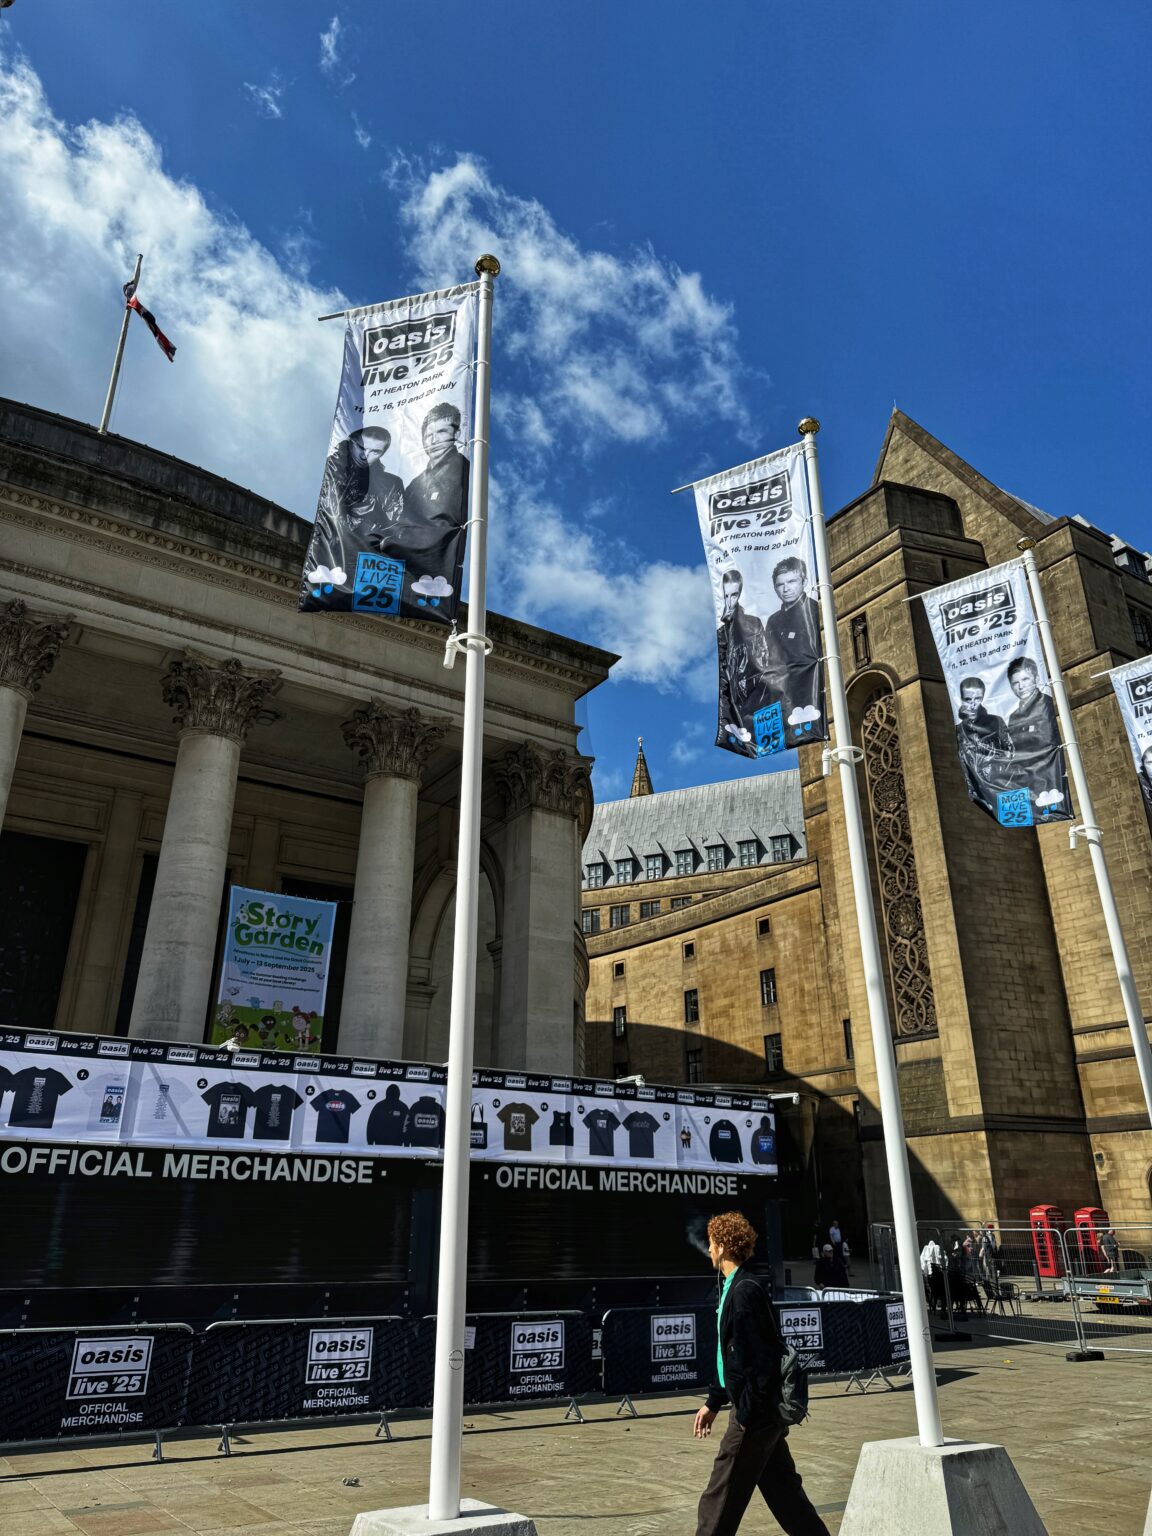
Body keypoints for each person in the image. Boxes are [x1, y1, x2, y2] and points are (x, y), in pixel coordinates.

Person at [693, 1210, 830, 1536]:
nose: (708, 1249)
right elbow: (730, 1356)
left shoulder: (745, 1291)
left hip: (753, 1415)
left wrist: (746, 1415)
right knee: (786, 1496)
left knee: (718, 1500)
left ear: (723, 1246)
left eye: (711, 1243)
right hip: (759, 1411)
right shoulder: (731, 1287)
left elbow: (759, 1359)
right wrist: (713, 1401)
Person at [379, 401, 470, 600]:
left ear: (456, 434)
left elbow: (444, 524)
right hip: (407, 569)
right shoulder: (416, 483)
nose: (434, 440)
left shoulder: (462, 471)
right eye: (428, 435)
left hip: (433, 567)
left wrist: (394, 539)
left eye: (442, 432)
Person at [310, 425, 405, 583]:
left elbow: (393, 530)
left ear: (382, 454)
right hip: (326, 558)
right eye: (361, 447)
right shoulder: (332, 471)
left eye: (375, 452)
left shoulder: (391, 484)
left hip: (365, 564)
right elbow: (327, 518)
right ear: (351, 443)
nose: (365, 455)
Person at [715, 568, 778, 754]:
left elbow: (764, 660)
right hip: (736, 701)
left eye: (734, 595)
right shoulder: (722, 632)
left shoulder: (753, 623)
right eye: (726, 596)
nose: (729, 601)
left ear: (740, 594)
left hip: (755, 694)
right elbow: (723, 674)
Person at [762, 557, 823, 747]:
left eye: (791, 581)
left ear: (804, 582)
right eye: (780, 584)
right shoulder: (773, 621)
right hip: (786, 694)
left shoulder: (815, 609)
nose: (786, 589)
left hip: (812, 688)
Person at [1005, 656, 1065, 810]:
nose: (1021, 686)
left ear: (1037, 679)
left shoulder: (1047, 704)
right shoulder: (1013, 717)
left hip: (1049, 778)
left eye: (1025, 679)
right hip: (1028, 782)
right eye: (1015, 683)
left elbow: (1044, 740)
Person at [954, 676, 1014, 812]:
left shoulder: (996, 722)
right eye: (968, 699)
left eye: (977, 699)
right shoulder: (958, 731)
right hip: (976, 792)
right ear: (961, 699)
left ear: (982, 698)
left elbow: (1011, 753)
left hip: (1000, 786)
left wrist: (1001, 779)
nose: (972, 704)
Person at [920, 1234, 946, 1316]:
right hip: (932, 1275)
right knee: (934, 1290)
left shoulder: (932, 1249)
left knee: (933, 1290)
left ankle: (935, 1303)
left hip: (932, 1275)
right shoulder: (928, 1249)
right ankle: (936, 1303)